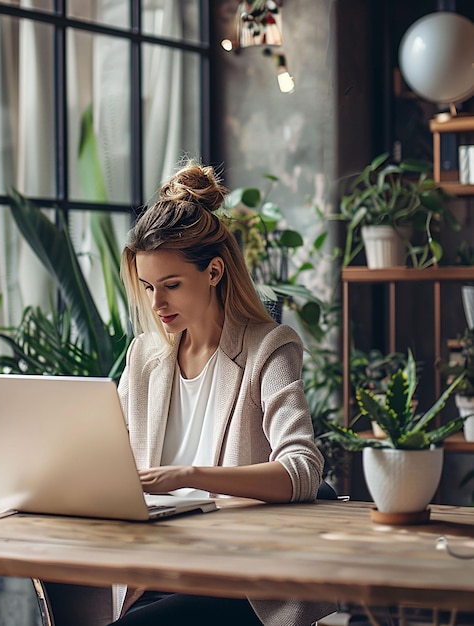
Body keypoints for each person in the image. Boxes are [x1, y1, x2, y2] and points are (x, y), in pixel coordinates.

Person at [111, 161, 336, 626]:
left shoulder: (267, 348)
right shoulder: (143, 359)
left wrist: (190, 476)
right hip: (153, 565)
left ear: (214, 271)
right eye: (149, 287)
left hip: (237, 576)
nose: (157, 304)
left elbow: (303, 469)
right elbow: (106, 456)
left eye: (171, 285)